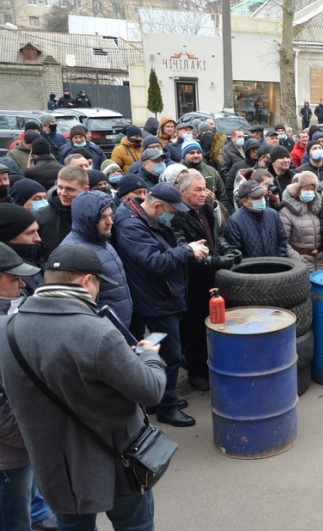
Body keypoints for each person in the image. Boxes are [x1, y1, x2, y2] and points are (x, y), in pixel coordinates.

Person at [0, 244, 166, 531]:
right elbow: (150, 391)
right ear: (88, 281)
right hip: (118, 459)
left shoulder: (8, 331)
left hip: (54, 465)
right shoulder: (97, 333)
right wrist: (149, 356)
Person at [113, 184, 207, 427]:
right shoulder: (131, 225)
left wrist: (185, 248)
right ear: (157, 206)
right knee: (170, 354)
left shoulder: (152, 219)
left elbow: (170, 246)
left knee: (159, 349)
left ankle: (159, 397)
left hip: (161, 296)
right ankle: (167, 406)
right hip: (157, 300)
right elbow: (155, 262)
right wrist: (187, 250)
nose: (172, 217)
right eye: (171, 212)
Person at [0, 242, 60, 531]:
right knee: (8, 529)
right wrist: (25, 439)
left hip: (15, 445)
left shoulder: (10, 311)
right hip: (8, 450)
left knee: (18, 515)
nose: (22, 285)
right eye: (13, 279)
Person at [171, 171, 241, 393]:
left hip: (212, 277)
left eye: (204, 189)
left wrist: (228, 249)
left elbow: (215, 236)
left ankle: (212, 363)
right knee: (194, 329)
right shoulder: (176, 216)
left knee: (215, 322)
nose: (204, 194)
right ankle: (196, 371)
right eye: (197, 190)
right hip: (190, 282)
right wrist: (217, 261)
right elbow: (185, 254)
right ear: (182, 192)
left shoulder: (207, 209)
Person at [60, 191, 133, 329]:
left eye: (111, 215)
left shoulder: (101, 241)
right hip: (102, 332)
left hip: (115, 328)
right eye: (102, 217)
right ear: (87, 219)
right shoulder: (76, 253)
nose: (110, 221)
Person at [34, 166, 89, 260]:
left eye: (70, 189)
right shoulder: (39, 217)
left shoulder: (95, 216)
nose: (63, 193)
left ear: (86, 189)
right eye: (60, 187)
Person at [225, 181, 287, 259]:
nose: (261, 199)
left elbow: (282, 241)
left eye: (261, 196)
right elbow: (236, 252)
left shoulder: (273, 214)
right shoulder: (235, 222)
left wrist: (279, 262)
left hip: (276, 266)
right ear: (244, 201)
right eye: (256, 197)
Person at [280, 171, 323, 273]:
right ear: (297, 191)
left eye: (312, 189)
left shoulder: (318, 209)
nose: (310, 192)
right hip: (301, 264)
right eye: (306, 189)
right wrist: (299, 259)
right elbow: (284, 242)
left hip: (321, 262)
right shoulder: (286, 212)